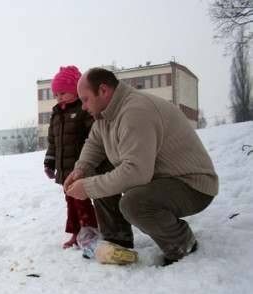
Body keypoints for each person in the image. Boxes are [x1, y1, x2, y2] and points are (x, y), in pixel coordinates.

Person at [63, 67, 219, 265]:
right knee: (94, 169)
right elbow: (95, 144)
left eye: (85, 99)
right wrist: (81, 169)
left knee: (134, 203)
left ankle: (181, 242)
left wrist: (88, 187)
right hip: (160, 180)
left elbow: (136, 173)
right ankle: (117, 237)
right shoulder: (105, 114)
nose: (83, 106)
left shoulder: (136, 111)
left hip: (191, 184)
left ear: (103, 91)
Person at [43, 65, 98, 249]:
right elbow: (53, 142)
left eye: (63, 93)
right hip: (64, 168)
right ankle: (76, 233)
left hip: (80, 167)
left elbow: (94, 135)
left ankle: (89, 233)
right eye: (56, 95)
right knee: (70, 203)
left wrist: (87, 162)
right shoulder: (57, 114)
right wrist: (49, 162)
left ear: (75, 90)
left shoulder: (83, 111)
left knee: (82, 202)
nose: (59, 98)